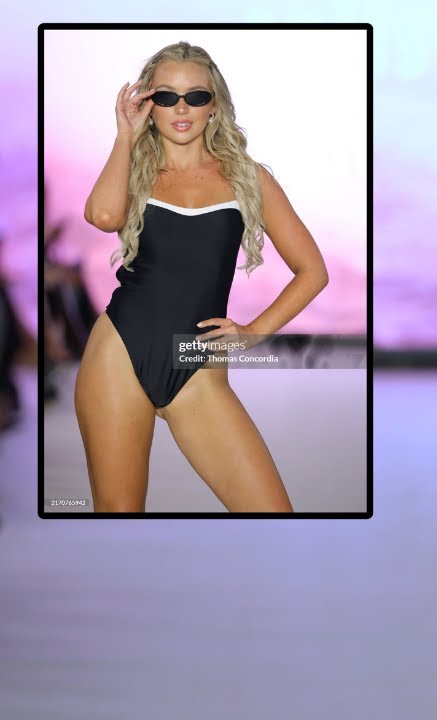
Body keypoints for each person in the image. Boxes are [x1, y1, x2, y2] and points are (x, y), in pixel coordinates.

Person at [77, 42, 328, 512]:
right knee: (118, 519)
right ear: (148, 104)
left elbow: (313, 271)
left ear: (215, 105)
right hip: (119, 352)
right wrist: (125, 136)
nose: (181, 108)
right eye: (166, 96)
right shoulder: (135, 170)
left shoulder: (247, 178)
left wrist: (254, 332)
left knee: (274, 514)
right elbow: (104, 216)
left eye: (196, 96)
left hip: (197, 363)